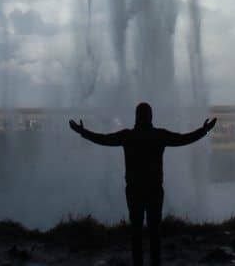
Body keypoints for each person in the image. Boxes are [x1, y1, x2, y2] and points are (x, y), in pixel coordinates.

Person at [69, 103, 217, 266]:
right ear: (151, 116)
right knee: (154, 232)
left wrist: (82, 132)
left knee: (136, 232)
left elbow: (103, 139)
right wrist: (203, 131)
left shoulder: (128, 136)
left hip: (134, 190)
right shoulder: (159, 135)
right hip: (154, 189)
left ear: (136, 116)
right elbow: (183, 139)